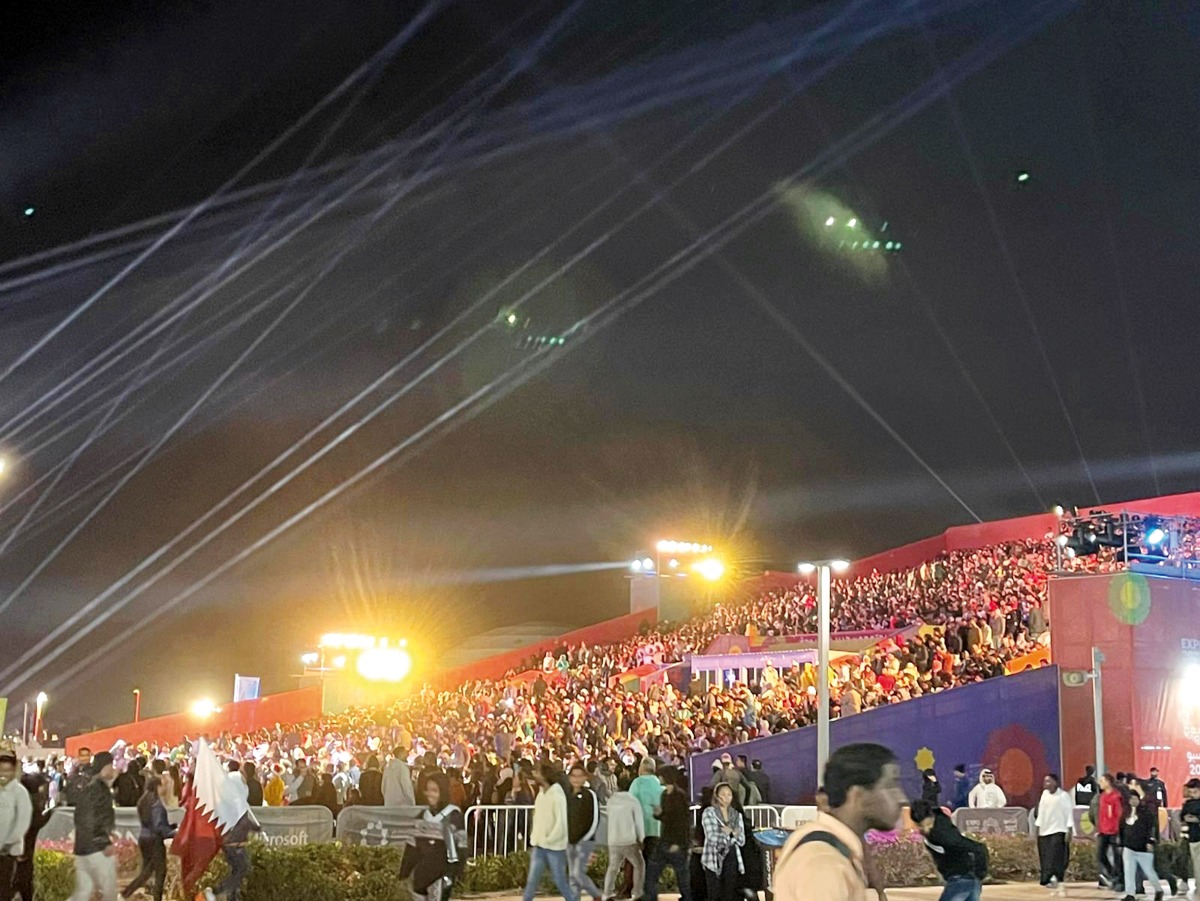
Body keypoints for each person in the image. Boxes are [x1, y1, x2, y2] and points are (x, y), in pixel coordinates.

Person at [774, 743, 904, 901]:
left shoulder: (836, 850)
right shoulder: (823, 861)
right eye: (890, 786)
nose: (901, 799)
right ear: (858, 796)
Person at [909, 798, 988, 901]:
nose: (924, 829)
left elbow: (977, 848)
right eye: (919, 825)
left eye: (927, 825)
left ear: (932, 818)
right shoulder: (936, 820)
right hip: (964, 879)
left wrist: (980, 874)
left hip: (961, 879)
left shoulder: (945, 836)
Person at [401, 772, 463, 901]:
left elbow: (461, 848)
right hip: (420, 880)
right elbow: (412, 848)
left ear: (443, 792)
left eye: (435, 790)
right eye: (428, 790)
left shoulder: (453, 816)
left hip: (440, 879)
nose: (430, 794)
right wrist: (404, 873)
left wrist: (456, 874)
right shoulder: (422, 816)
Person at [204, 768, 262, 901]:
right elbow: (243, 822)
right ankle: (217, 890)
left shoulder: (229, 803)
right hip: (235, 845)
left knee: (237, 870)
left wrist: (256, 827)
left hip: (231, 844)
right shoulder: (235, 804)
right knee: (243, 869)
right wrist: (256, 828)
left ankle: (232, 896)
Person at [522, 763, 578, 901]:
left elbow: (561, 821)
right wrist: (535, 836)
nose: (535, 775)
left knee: (560, 881)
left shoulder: (557, 795)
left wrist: (551, 838)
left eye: (538, 773)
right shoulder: (541, 794)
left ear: (545, 776)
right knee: (532, 881)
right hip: (540, 844)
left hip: (555, 847)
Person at [70, 750, 118, 901]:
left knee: (82, 892)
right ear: (103, 767)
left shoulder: (91, 787)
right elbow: (89, 818)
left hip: (83, 847)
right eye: (111, 765)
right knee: (109, 892)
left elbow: (82, 818)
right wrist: (103, 841)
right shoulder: (98, 789)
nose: (113, 769)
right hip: (96, 850)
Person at [121, 776, 176, 901]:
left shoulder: (143, 800)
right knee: (160, 872)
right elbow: (158, 826)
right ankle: (156, 898)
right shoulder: (156, 803)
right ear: (157, 786)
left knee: (146, 871)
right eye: (162, 785)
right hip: (155, 840)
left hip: (144, 838)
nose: (164, 788)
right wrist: (173, 832)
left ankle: (125, 893)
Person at [646, 767, 691, 901]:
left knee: (682, 877)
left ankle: (687, 897)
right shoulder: (664, 794)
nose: (659, 778)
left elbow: (683, 821)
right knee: (652, 873)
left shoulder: (679, 796)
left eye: (661, 775)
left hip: (676, 842)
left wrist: (679, 843)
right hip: (665, 839)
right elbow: (668, 818)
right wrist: (658, 814)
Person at [603, 774, 645, 901]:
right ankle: (637, 892)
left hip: (613, 839)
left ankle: (607, 893)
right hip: (628, 840)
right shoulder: (633, 801)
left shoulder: (611, 801)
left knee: (613, 867)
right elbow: (638, 822)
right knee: (639, 865)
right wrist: (641, 838)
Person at [1120, 781, 1163, 901]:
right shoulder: (1125, 814)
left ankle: (1158, 890)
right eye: (1131, 799)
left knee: (1149, 872)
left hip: (1143, 848)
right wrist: (1122, 842)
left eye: (1135, 798)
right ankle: (1130, 894)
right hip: (1128, 847)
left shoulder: (1146, 813)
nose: (1133, 801)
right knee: (1128, 871)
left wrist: (1150, 841)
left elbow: (1150, 827)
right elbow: (1122, 828)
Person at [565, 764, 603, 901]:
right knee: (572, 876)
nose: (576, 779)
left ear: (585, 777)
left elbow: (595, 818)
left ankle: (596, 895)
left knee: (577, 874)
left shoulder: (590, 795)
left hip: (585, 841)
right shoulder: (567, 796)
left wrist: (586, 838)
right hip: (570, 841)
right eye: (573, 776)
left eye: (579, 776)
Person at [701, 782, 744, 901]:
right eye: (723, 794)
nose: (726, 798)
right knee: (714, 893)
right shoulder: (709, 812)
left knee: (729, 892)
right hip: (713, 856)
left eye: (729, 794)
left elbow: (741, 839)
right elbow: (711, 836)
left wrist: (729, 833)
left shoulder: (736, 815)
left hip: (731, 855)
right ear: (717, 796)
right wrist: (731, 834)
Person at [0, 751, 33, 901]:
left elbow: (23, 822)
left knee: (4, 888)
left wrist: (8, 843)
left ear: (13, 771)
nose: (3, 774)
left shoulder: (20, 793)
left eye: (7, 771)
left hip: (8, 851)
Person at [1033, 774, 1073, 894]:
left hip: (1059, 830)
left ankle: (1058, 880)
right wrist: (1037, 828)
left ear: (1055, 782)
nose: (1046, 784)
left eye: (1049, 781)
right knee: (1046, 856)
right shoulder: (1044, 795)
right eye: (1045, 781)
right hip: (1045, 831)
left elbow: (1068, 813)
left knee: (1056, 857)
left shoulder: (1063, 796)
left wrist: (1069, 828)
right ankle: (1049, 879)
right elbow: (1041, 813)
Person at [630, 757, 664, 865]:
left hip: (640, 828)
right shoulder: (659, 784)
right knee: (652, 860)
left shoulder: (637, 783)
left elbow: (630, 804)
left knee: (639, 862)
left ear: (641, 768)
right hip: (656, 828)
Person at [1096, 773, 1123, 891]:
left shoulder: (1116, 796)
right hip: (1103, 831)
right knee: (1100, 855)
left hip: (1114, 831)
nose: (1100, 783)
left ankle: (1118, 879)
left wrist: (1118, 831)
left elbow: (1119, 815)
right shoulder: (1102, 796)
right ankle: (1111, 875)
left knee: (1117, 857)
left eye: (1102, 781)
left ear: (1108, 782)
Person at [1180, 779, 1200, 894]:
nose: (1193, 795)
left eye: (1195, 792)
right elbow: (1183, 817)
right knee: (1195, 863)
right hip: (1192, 837)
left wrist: (1193, 818)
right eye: (1191, 792)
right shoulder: (1188, 804)